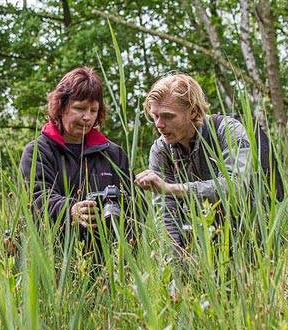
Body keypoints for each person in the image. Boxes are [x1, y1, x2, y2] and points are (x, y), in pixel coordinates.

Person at [134, 73, 252, 251]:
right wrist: (176, 266)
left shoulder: (227, 131)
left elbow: (234, 187)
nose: (159, 124)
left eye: (168, 116)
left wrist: (171, 189)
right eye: (155, 116)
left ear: (193, 112)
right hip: (198, 245)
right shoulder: (160, 150)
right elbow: (166, 216)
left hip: (248, 239)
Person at [19, 67, 131, 254]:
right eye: (79, 108)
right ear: (61, 107)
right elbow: (37, 199)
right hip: (53, 257)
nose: (87, 117)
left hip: (107, 259)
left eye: (93, 110)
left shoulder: (113, 153)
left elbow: (135, 205)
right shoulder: (38, 152)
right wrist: (71, 210)